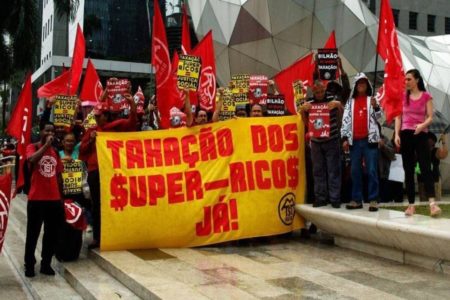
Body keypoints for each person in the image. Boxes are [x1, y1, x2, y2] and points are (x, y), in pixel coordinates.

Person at [79, 93, 137, 249]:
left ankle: (117, 234)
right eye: (96, 116)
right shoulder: (91, 131)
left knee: (116, 204)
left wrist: (132, 105)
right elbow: (82, 152)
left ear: (107, 116)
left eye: (100, 116)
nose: (98, 119)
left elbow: (132, 123)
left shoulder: (115, 127)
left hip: (112, 173)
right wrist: (90, 139)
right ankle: (98, 237)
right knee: (97, 205)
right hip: (95, 172)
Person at [394, 69, 441, 217]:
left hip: (421, 134)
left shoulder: (426, 96)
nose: (406, 82)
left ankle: (432, 204)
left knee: (426, 168)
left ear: (417, 80)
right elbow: (398, 117)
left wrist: (422, 126)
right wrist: (396, 134)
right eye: (405, 79)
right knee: (408, 170)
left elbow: (430, 117)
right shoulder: (402, 97)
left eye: (409, 79)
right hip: (406, 134)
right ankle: (411, 205)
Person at [24, 121, 64, 277]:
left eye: (52, 131)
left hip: (53, 199)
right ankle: (29, 265)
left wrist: (60, 197)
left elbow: (58, 174)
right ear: (40, 132)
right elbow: (32, 160)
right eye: (47, 131)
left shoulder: (55, 151)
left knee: (51, 234)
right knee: (32, 234)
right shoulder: (32, 147)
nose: (50, 134)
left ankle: (45, 263)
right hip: (36, 199)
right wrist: (46, 146)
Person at [341, 73, 382, 211]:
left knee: (371, 170)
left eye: (364, 82)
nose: (361, 85)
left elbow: (380, 118)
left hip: (370, 141)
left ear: (367, 85)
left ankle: (373, 199)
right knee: (355, 171)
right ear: (355, 85)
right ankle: (356, 199)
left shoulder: (373, 100)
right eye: (359, 83)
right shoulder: (349, 103)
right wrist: (345, 138)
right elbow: (345, 121)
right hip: (355, 142)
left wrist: (376, 107)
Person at [300, 80, 343, 208]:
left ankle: (335, 198)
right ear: (313, 91)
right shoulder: (309, 102)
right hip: (316, 142)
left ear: (325, 89)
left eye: (321, 91)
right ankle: (320, 198)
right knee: (318, 171)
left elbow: (343, 114)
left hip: (332, 139)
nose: (319, 94)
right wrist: (302, 110)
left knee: (333, 170)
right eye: (316, 92)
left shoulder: (333, 99)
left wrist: (339, 104)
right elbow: (305, 122)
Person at [418, 132, 448, 202]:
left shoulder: (436, 150)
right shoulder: (419, 150)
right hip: (422, 180)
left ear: (433, 141)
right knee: (423, 203)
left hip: (434, 180)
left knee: (435, 202)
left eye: (429, 139)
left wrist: (443, 141)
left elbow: (444, 154)